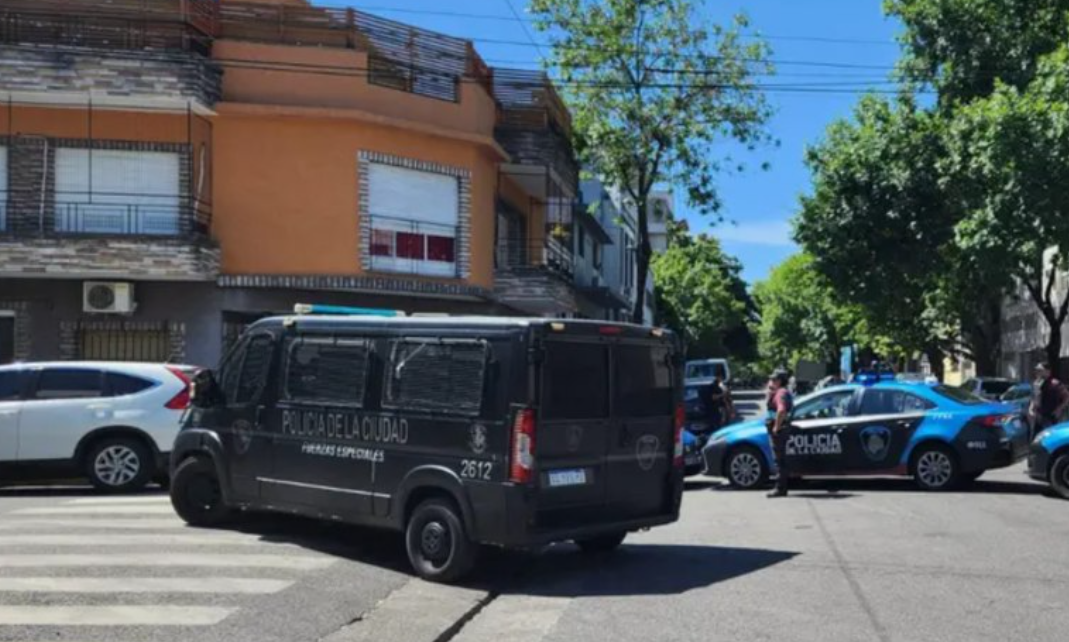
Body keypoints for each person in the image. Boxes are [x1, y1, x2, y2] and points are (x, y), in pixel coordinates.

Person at [766, 369, 794, 498]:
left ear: (780, 381)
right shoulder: (781, 392)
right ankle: (781, 487)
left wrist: (776, 427)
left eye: (774, 379)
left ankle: (780, 488)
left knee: (779, 460)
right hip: (783, 427)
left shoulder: (780, 393)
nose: (771, 382)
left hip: (780, 429)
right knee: (781, 459)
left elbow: (781, 410)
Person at [1030, 362, 1069, 437]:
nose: (1038, 372)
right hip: (1039, 416)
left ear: (1048, 371)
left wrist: (1059, 409)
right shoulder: (1036, 383)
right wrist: (1031, 408)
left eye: (1040, 370)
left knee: (1051, 438)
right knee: (1036, 438)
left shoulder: (1055, 383)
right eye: (1037, 370)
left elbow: (1067, 397)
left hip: (1051, 417)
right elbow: (1034, 397)